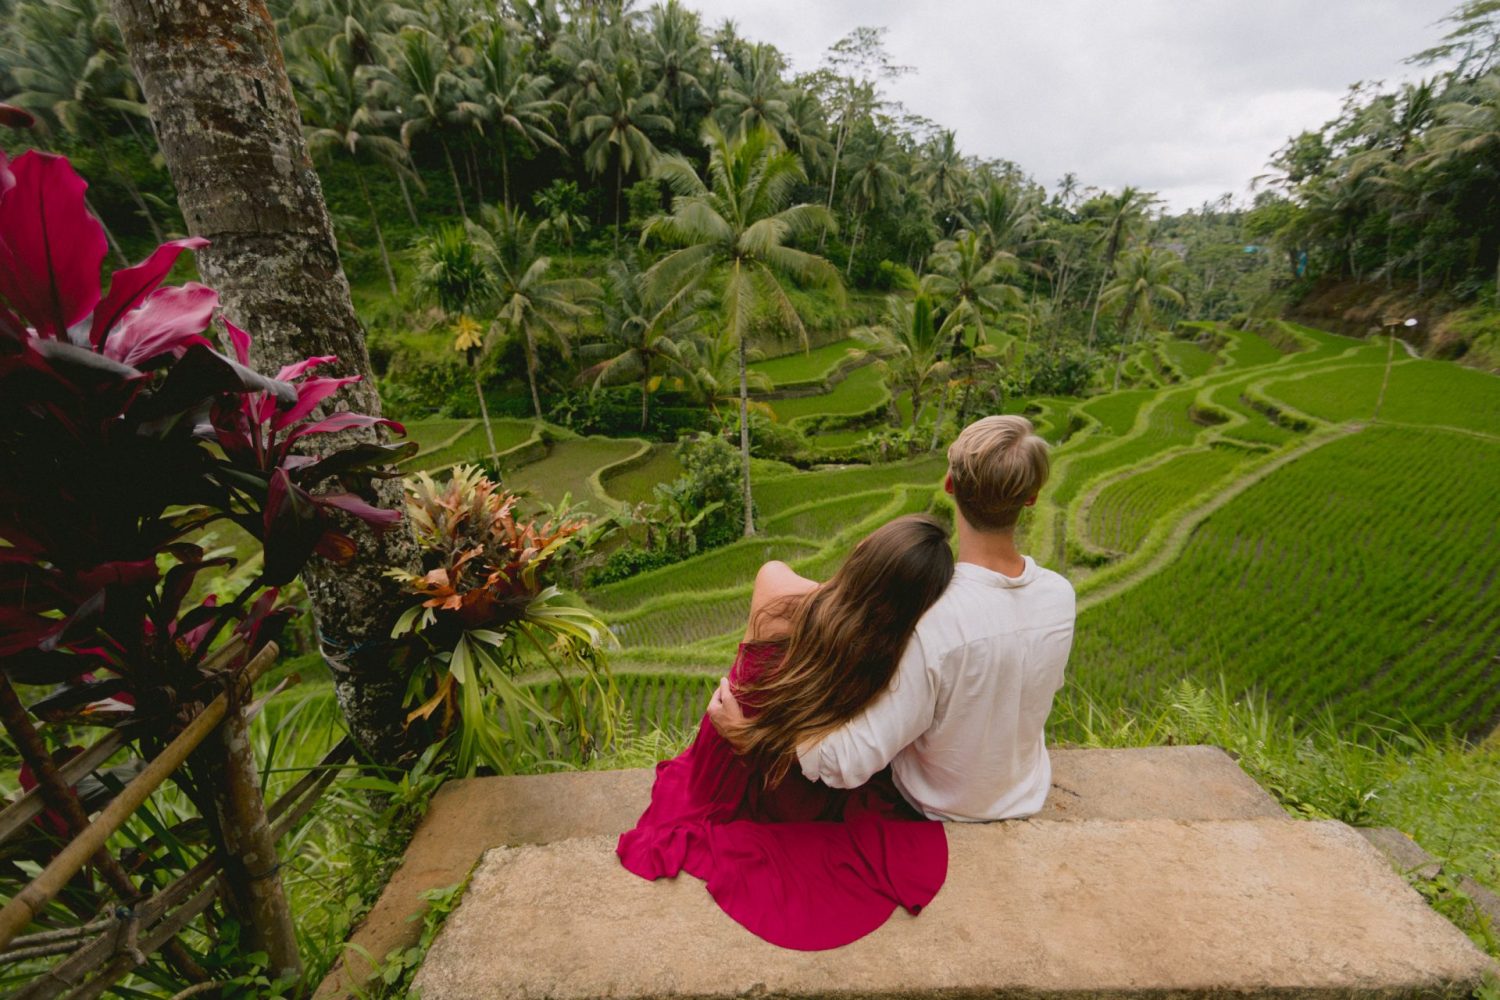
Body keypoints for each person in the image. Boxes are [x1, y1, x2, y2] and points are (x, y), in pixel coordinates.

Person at [710, 414, 1075, 822]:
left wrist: (750, 735)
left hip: (937, 806)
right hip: (1023, 791)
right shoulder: (1059, 596)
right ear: (1031, 497)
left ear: (950, 485)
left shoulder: (932, 619)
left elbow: (845, 760)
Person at [616, 514, 955, 950]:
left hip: (731, 771)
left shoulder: (776, 587)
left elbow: (828, 612)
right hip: (806, 794)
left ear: (861, 553)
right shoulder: (892, 655)